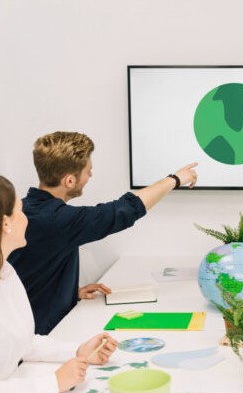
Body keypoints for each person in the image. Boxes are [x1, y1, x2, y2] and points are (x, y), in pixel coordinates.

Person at [8, 131, 198, 334]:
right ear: (70, 181)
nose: (90, 175)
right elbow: (124, 210)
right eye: (88, 171)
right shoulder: (58, 220)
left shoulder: (24, 210)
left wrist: (69, 293)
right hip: (34, 341)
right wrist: (175, 179)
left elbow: (30, 274)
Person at [0, 175, 118, 393]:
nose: (27, 219)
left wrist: (78, 350)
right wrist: (54, 382)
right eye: (21, 211)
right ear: (6, 223)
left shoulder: (7, 271)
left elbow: (20, 343)